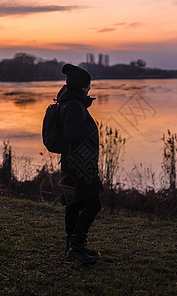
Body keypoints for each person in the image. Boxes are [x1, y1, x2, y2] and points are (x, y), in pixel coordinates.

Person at [55, 63, 103, 264]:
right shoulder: (74, 106)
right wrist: (89, 132)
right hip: (80, 166)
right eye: (87, 85)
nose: (89, 88)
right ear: (80, 86)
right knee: (94, 204)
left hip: (71, 163)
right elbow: (72, 136)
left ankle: (72, 248)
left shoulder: (69, 102)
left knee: (74, 204)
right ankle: (76, 246)